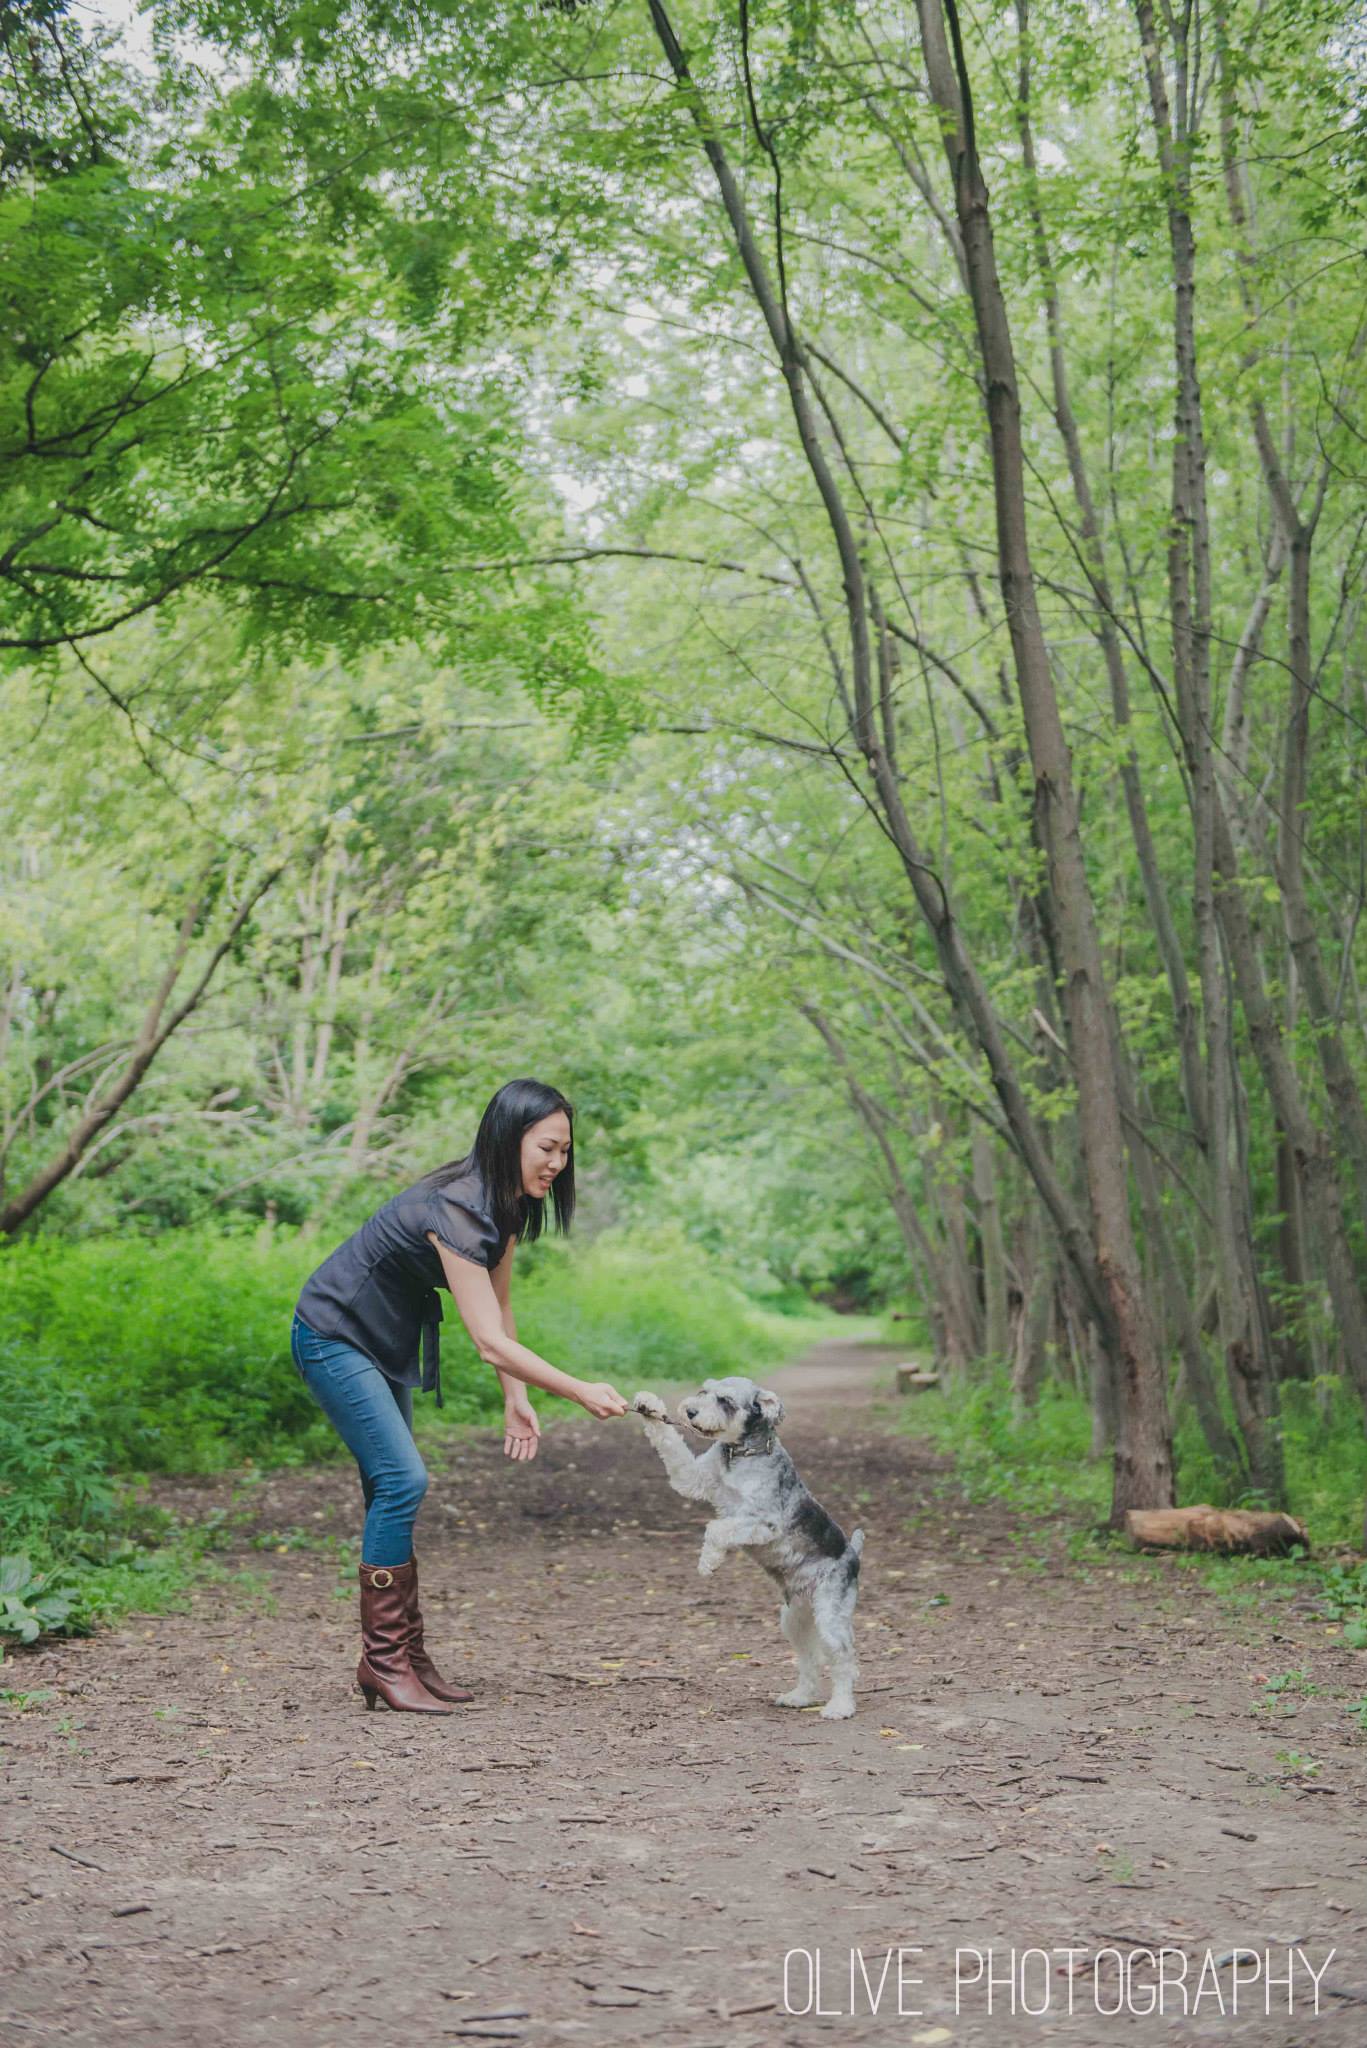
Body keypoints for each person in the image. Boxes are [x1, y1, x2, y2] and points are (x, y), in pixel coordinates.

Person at [290, 1077, 629, 1715]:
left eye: (565, 1152)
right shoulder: (457, 1207)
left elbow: (499, 1309)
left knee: (388, 1489)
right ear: (510, 1138)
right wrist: (578, 1390)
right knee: (402, 1481)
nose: (558, 1164)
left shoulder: (504, 1206)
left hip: (382, 1344)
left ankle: (402, 1659)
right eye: (547, 1148)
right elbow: (488, 1342)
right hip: (334, 1336)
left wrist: (516, 1397)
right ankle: (386, 1662)